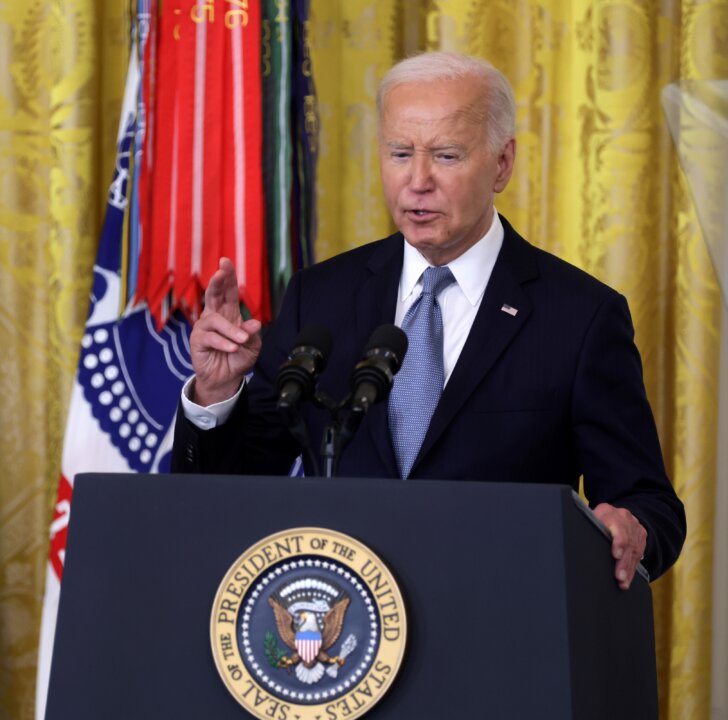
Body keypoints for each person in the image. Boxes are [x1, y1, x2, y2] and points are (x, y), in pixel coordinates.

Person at [171, 51, 685, 590]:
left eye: (445, 155)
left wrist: (633, 527)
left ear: (502, 164)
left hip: (500, 636)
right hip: (340, 641)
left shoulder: (579, 316)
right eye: (399, 153)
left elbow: (650, 503)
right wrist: (215, 394)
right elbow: (229, 490)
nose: (417, 181)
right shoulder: (319, 298)